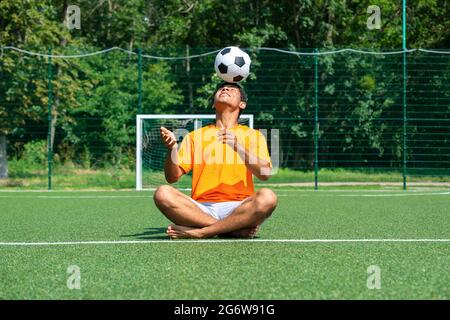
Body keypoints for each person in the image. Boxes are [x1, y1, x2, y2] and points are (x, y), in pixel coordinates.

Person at [154, 82, 277, 239]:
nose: (225, 89)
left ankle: (202, 232)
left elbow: (265, 174)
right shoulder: (194, 136)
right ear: (213, 103)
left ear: (242, 104)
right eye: (221, 88)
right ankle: (231, 228)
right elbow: (172, 177)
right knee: (162, 193)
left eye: (232, 89)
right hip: (201, 209)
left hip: (239, 207)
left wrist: (238, 146)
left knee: (268, 197)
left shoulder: (254, 136)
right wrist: (171, 149)